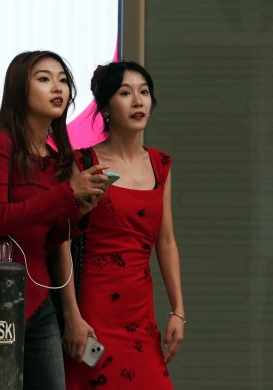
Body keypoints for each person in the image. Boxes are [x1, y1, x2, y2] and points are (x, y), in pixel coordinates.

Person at [0, 51, 109, 390]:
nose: (57, 87)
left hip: (41, 300)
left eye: (63, 80)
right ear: (19, 89)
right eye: (44, 78)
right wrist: (64, 195)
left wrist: (80, 210)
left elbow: (52, 240)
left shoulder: (57, 160)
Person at [59, 61, 186, 388]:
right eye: (125, 93)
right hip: (93, 310)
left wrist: (178, 310)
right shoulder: (83, 162)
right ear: (105, 107)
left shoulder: (160, 164)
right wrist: (72, 315)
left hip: (140, 313)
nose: (138, 101)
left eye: (144, 92)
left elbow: (167, 241)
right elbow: (63, 241)